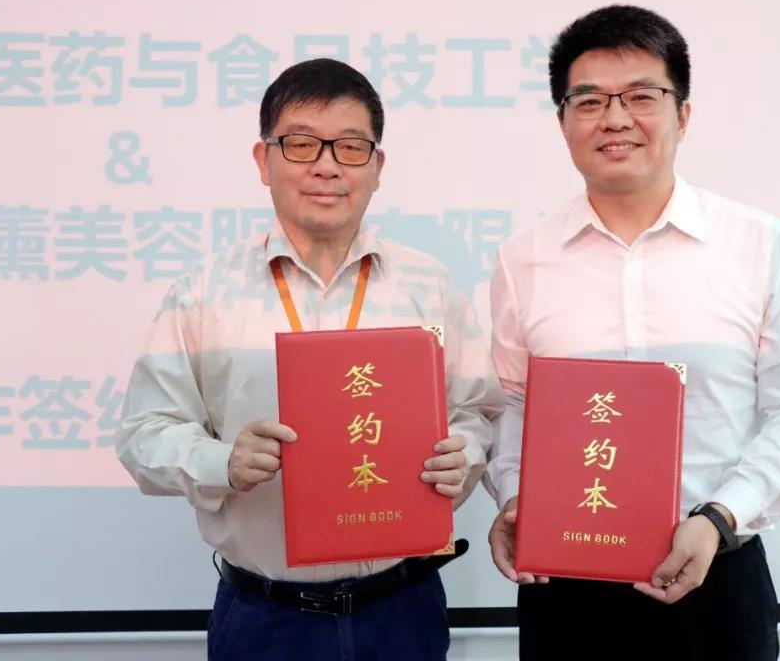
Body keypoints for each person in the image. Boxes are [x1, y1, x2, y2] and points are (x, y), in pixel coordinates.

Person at [116, 58, 502, 661]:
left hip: (402, 611)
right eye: (300, 144)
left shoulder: (429, 286)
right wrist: (223, 460)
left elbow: (478, 410)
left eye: (350, 146)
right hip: (265, 620)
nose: (326, 165)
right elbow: (144, 434)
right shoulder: (204, 294)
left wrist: (466, 452)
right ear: (263, 160)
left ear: (377, 167)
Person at [484, 5, 780, 659]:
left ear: (683, 114)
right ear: (563, 122)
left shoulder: (759, 244)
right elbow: (510, 402)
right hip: (566, 588)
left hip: (718, 580)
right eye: (589, 101)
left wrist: (719, 517)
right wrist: (515, 498)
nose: (615, 119)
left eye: (641, 96)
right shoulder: (523, 259)